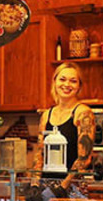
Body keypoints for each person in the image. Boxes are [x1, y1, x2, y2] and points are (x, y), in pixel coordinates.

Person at [34, 63, 95, 193]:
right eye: (62, 79)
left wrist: (63, 187)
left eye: (73, 81)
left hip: (72, 188)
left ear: (79, 86)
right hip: (46, 185)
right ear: (54, 81)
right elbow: (40, 154)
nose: (67, 85)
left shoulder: (83, 113)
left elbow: (84, 158)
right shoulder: (46, 115)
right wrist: (35, 184)